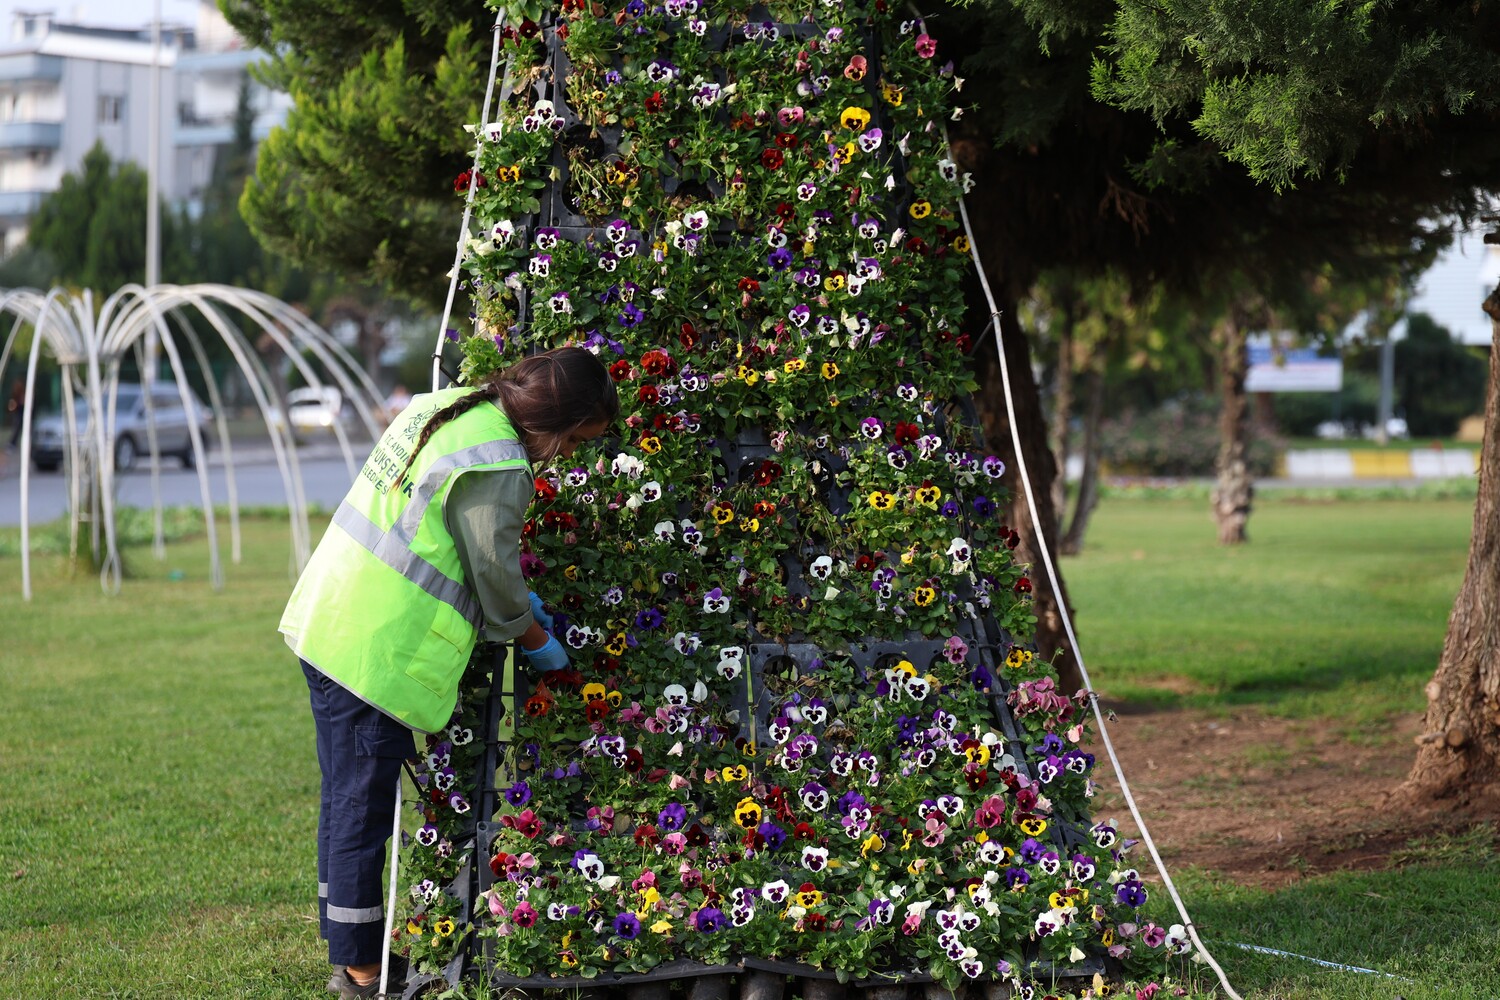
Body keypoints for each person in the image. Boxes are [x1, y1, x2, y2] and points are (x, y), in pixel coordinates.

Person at [279, 347, 618, 998]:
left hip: (332, 620)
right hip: (374, 653)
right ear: (555, 420)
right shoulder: (499, 460)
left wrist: (517, 598)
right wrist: (538, 637)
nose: (566, 455)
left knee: (343, 802)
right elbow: (492, 575)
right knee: (360, 810)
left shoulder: (451, 406)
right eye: (574, 441)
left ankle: (350, 950)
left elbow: (441, 531)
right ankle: (361, 973)